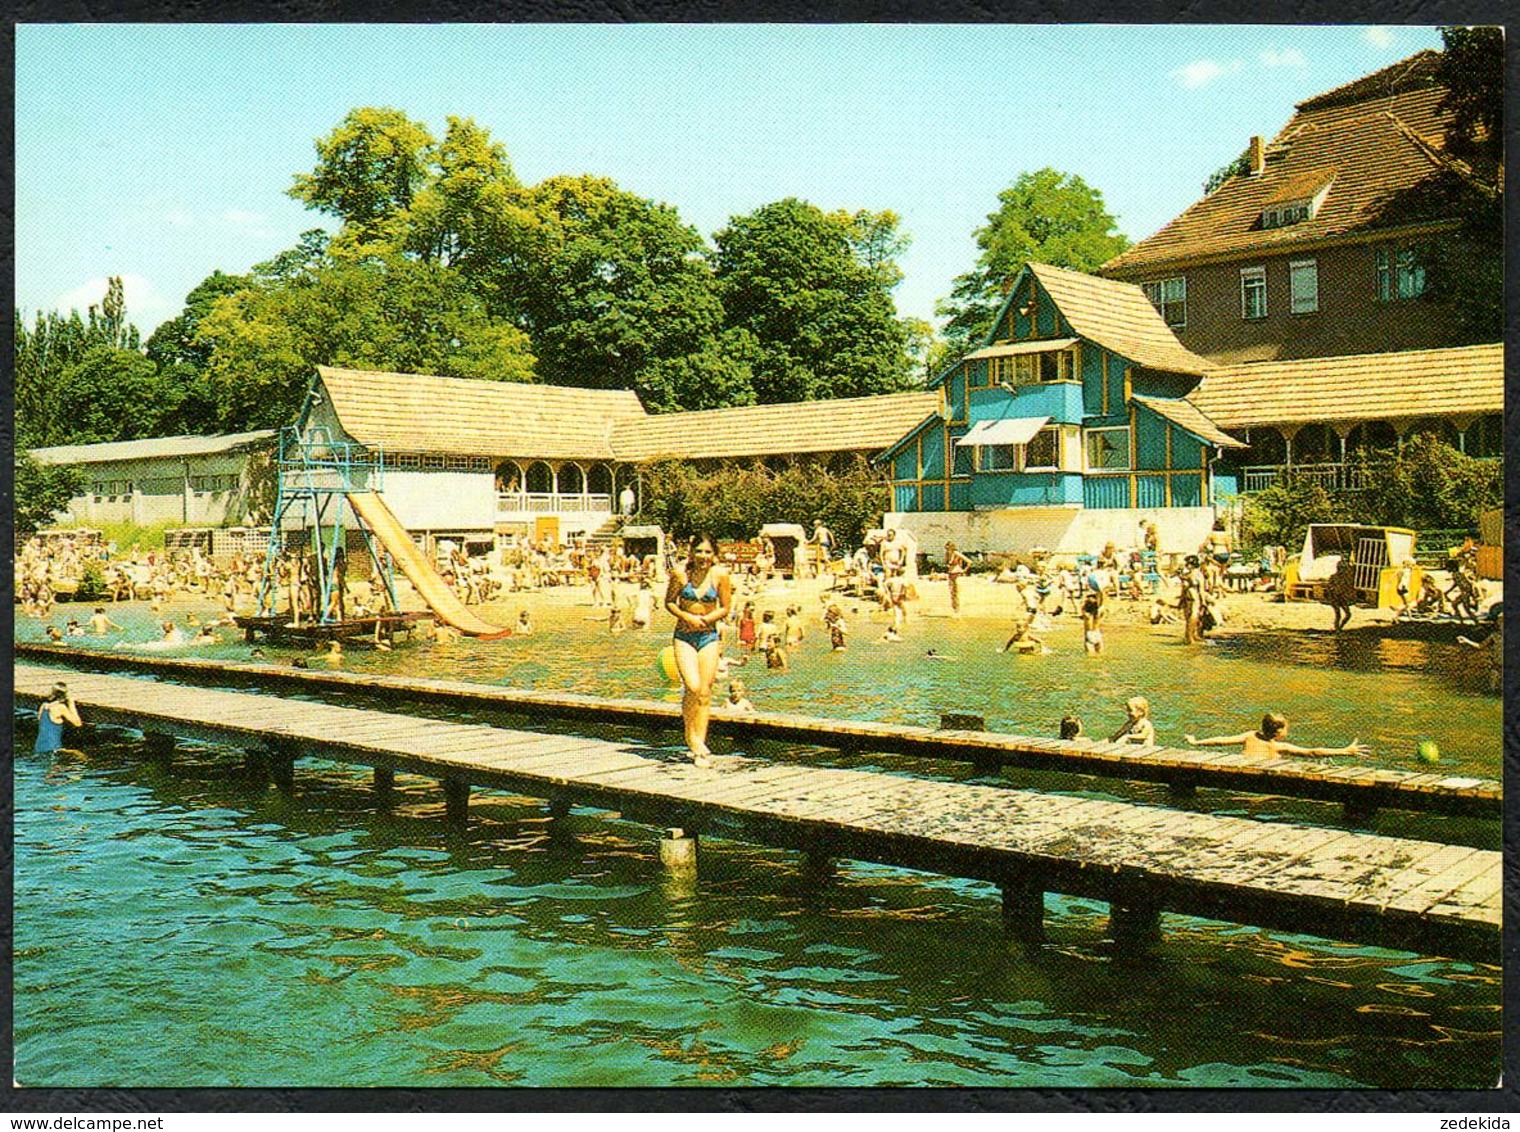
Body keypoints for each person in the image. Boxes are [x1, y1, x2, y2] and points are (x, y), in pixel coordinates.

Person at [664, 533, 733, 768]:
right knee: (692, 686)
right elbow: (669, 602)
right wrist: (687, 616)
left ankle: (699, 745)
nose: (703, 556)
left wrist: (707, 619)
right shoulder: (680, 574)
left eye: (708, 552)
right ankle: (690, 734)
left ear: (714, 555)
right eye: (699, 551)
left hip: (708, 636)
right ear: (692, 552)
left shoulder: (720, 575)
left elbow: (725, 606)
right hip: (684, 636)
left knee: (704, 691)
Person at [1185, 713, 1368, 758]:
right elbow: (1313, 752)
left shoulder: (1250, 736)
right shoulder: (1278, 746)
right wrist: (1345, 751)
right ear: (1279, 732)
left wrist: (1196, 742)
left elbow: (1221, 740)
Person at [34, 682, 83, 754]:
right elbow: (78, 723)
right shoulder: (61, 708)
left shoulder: (44, 706)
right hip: (53, 747)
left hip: (39, 747)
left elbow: (41, 720)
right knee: (80, 755)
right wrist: (71, 704)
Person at [1324, 558, 1357, 632]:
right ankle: (1338, 628)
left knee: (1341, 615)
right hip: (1338, 598)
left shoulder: (1334, 577)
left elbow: (1329, 588)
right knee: (1344, 614)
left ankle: (1338, 628)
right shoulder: (1344, 577)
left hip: (1338, 598)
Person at [945, 542, 968, 616]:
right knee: (952, 592)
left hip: (956, 573)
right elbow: (947, 563)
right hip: (950, 573)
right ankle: (955, 610)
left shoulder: (956, 553)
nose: (947, 549)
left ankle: (958, 611)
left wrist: (964, 570)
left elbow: (969, 561)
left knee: (956, 592)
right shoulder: (947, 554)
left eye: (948, 548)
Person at [1081, 585, 1105, 654]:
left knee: (1090, 657)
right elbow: (1102, 603)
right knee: (1101, 655)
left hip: (1089, 635)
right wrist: (1100, 592)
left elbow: (1082, 606)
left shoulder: (1087, 616)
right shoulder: (1098, 613)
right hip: (1097, 633)